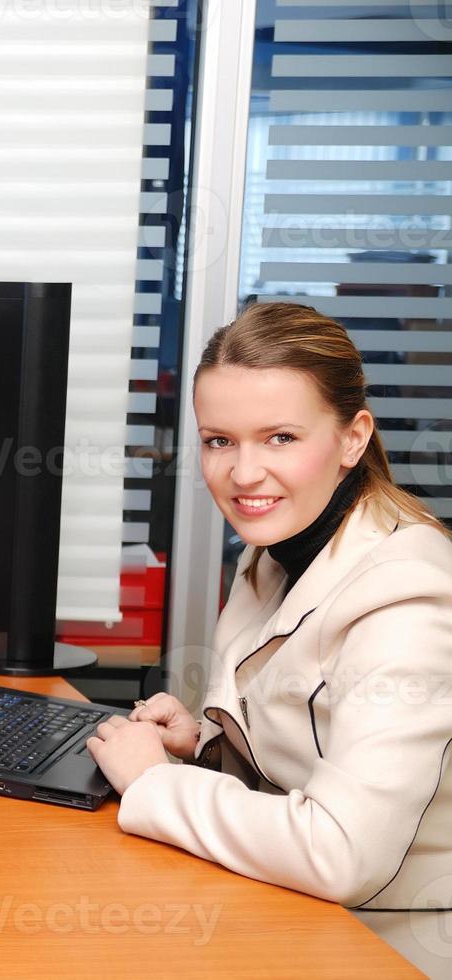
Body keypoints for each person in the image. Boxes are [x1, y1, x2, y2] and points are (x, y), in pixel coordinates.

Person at [86, 301, 452, 912]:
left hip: (388, 935)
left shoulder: (410, 600)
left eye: (280, 437)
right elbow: (309, 746)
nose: (244, 473)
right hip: (297, 906)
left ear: (352, 438)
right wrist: (203, 746)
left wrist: (156, 783)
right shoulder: (281, 545)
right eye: (219, 441)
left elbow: (341, 853)